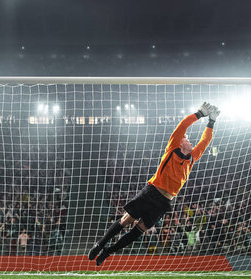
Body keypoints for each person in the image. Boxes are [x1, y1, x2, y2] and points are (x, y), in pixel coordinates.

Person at [88, 102, 220, 266]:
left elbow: (205, 141)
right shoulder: (172, 149)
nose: (188, 139)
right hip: (151, 192)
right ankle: (100, 244)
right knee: (125, 220)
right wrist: (199, 114)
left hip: (165, 201)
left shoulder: (192, 158)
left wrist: (211, 122)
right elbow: (182, 126)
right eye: (186, 138)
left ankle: (108, 252)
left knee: (139, 231)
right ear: (180, 142)